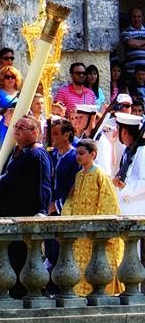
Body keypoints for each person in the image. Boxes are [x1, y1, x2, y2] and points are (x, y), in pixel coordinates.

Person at [62, 138, 123, 296]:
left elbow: (108, 203)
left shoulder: (100, 175)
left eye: (82, 153)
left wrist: (99, 228)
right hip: (79, 231)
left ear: (93, 154)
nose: (78, 157)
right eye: (77, 153)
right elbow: (72, 199)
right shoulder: (79, 175)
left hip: (93, 232)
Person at [0, 115, 51, 217]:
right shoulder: (15, 151)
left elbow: (42, 186)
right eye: (16, 126)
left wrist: (41, 213)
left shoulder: (37, 155)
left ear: (34, 132)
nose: (17, 129)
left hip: (23, 215)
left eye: (21, 128)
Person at [113, 111, 145, 215]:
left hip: (138, 210)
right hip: (126, 208)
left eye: (118, 129)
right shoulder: (127, 150)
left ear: (124, 132)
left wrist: (125, 186)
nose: (116, 132)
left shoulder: (143, 151)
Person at [48, 118, 79, 214]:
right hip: (49, 209)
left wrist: (56, 205)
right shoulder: (52, 155)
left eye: (55, 134)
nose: (52, 137)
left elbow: (75, 187)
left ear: (66, 135)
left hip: (66, 211)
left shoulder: (75, 158)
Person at [121, 7, 145, 76]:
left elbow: (133, 44)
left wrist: (136, 45)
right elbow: (130, 43)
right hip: (131, 73)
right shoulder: (125, 32)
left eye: (139, 16)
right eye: (134, 17)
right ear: (130, 18)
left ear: (142, 18)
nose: (136, 19)